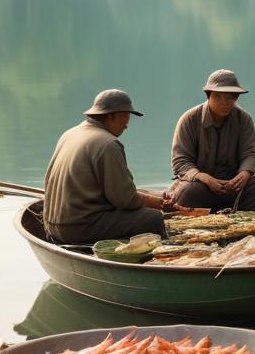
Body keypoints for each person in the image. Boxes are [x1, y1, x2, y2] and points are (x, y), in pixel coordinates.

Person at [42, 89, 170, 244]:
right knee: (152, 218)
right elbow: (125, 200)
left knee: (142, 193)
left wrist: (155, 196)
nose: (126, 125)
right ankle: (162, 255)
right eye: (125, 117)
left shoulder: (70, 133)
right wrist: (157, 204)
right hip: (77, 228)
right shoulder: (108, 144)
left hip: (52, 225)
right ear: (112, 116)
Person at [168, 69, 255, 212]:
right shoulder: (189, 119)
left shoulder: (244, 119)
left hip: (234, 186)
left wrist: (245, 173)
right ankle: (214, 213)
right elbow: (180, 161)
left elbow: (251, 153)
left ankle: (237, 216)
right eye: (218, 97)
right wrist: (205, 178)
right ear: (208, 96)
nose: (224, 103)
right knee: (187, 193)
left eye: (230, 98)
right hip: (202, 186)